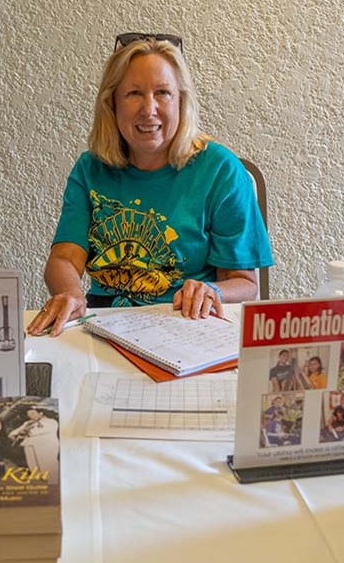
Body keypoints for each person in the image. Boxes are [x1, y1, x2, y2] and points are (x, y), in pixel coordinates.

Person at [27, 33, 273, 337]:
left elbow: (245, 283)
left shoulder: (221, 170)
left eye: (163, 93)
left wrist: (212, 290)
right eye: (133, 93)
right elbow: (65, 257)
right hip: (106, 324)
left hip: (189, 325)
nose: (148, 109)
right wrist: (69, 293)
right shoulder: (90, 169)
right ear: (112, 104)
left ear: (181, 101)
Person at [8, 407, 60, 484]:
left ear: (41, 413)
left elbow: (36, 432)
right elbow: (12, 434)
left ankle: (52, 483)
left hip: (46, 445)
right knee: (33, 466)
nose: (30, 416)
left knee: (48, 464)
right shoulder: (28, 423)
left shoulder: (51, 421)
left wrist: (24, 432)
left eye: (32, 413)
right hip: (30, 445)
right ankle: (38, 482)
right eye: (28, 414)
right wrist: (23, 427)